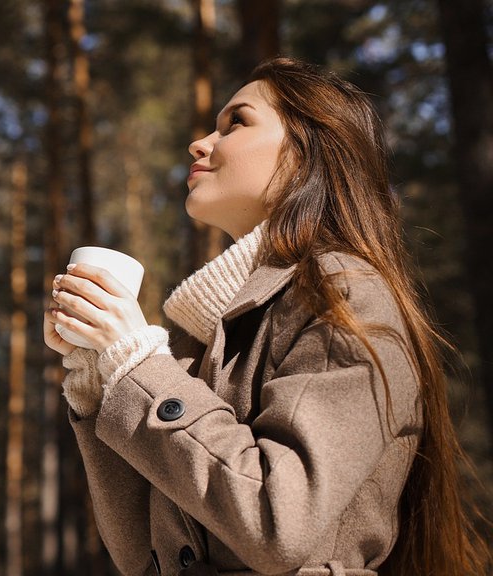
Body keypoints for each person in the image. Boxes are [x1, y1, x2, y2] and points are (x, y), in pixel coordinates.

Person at [43, 57, 490, 576]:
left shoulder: (343, 294)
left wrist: (137, 366)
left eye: (237, 122)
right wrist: (102, 375)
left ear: (307, 155)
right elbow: (144, 558)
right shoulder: (203, 339)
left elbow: (277, 522)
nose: (201, 143)